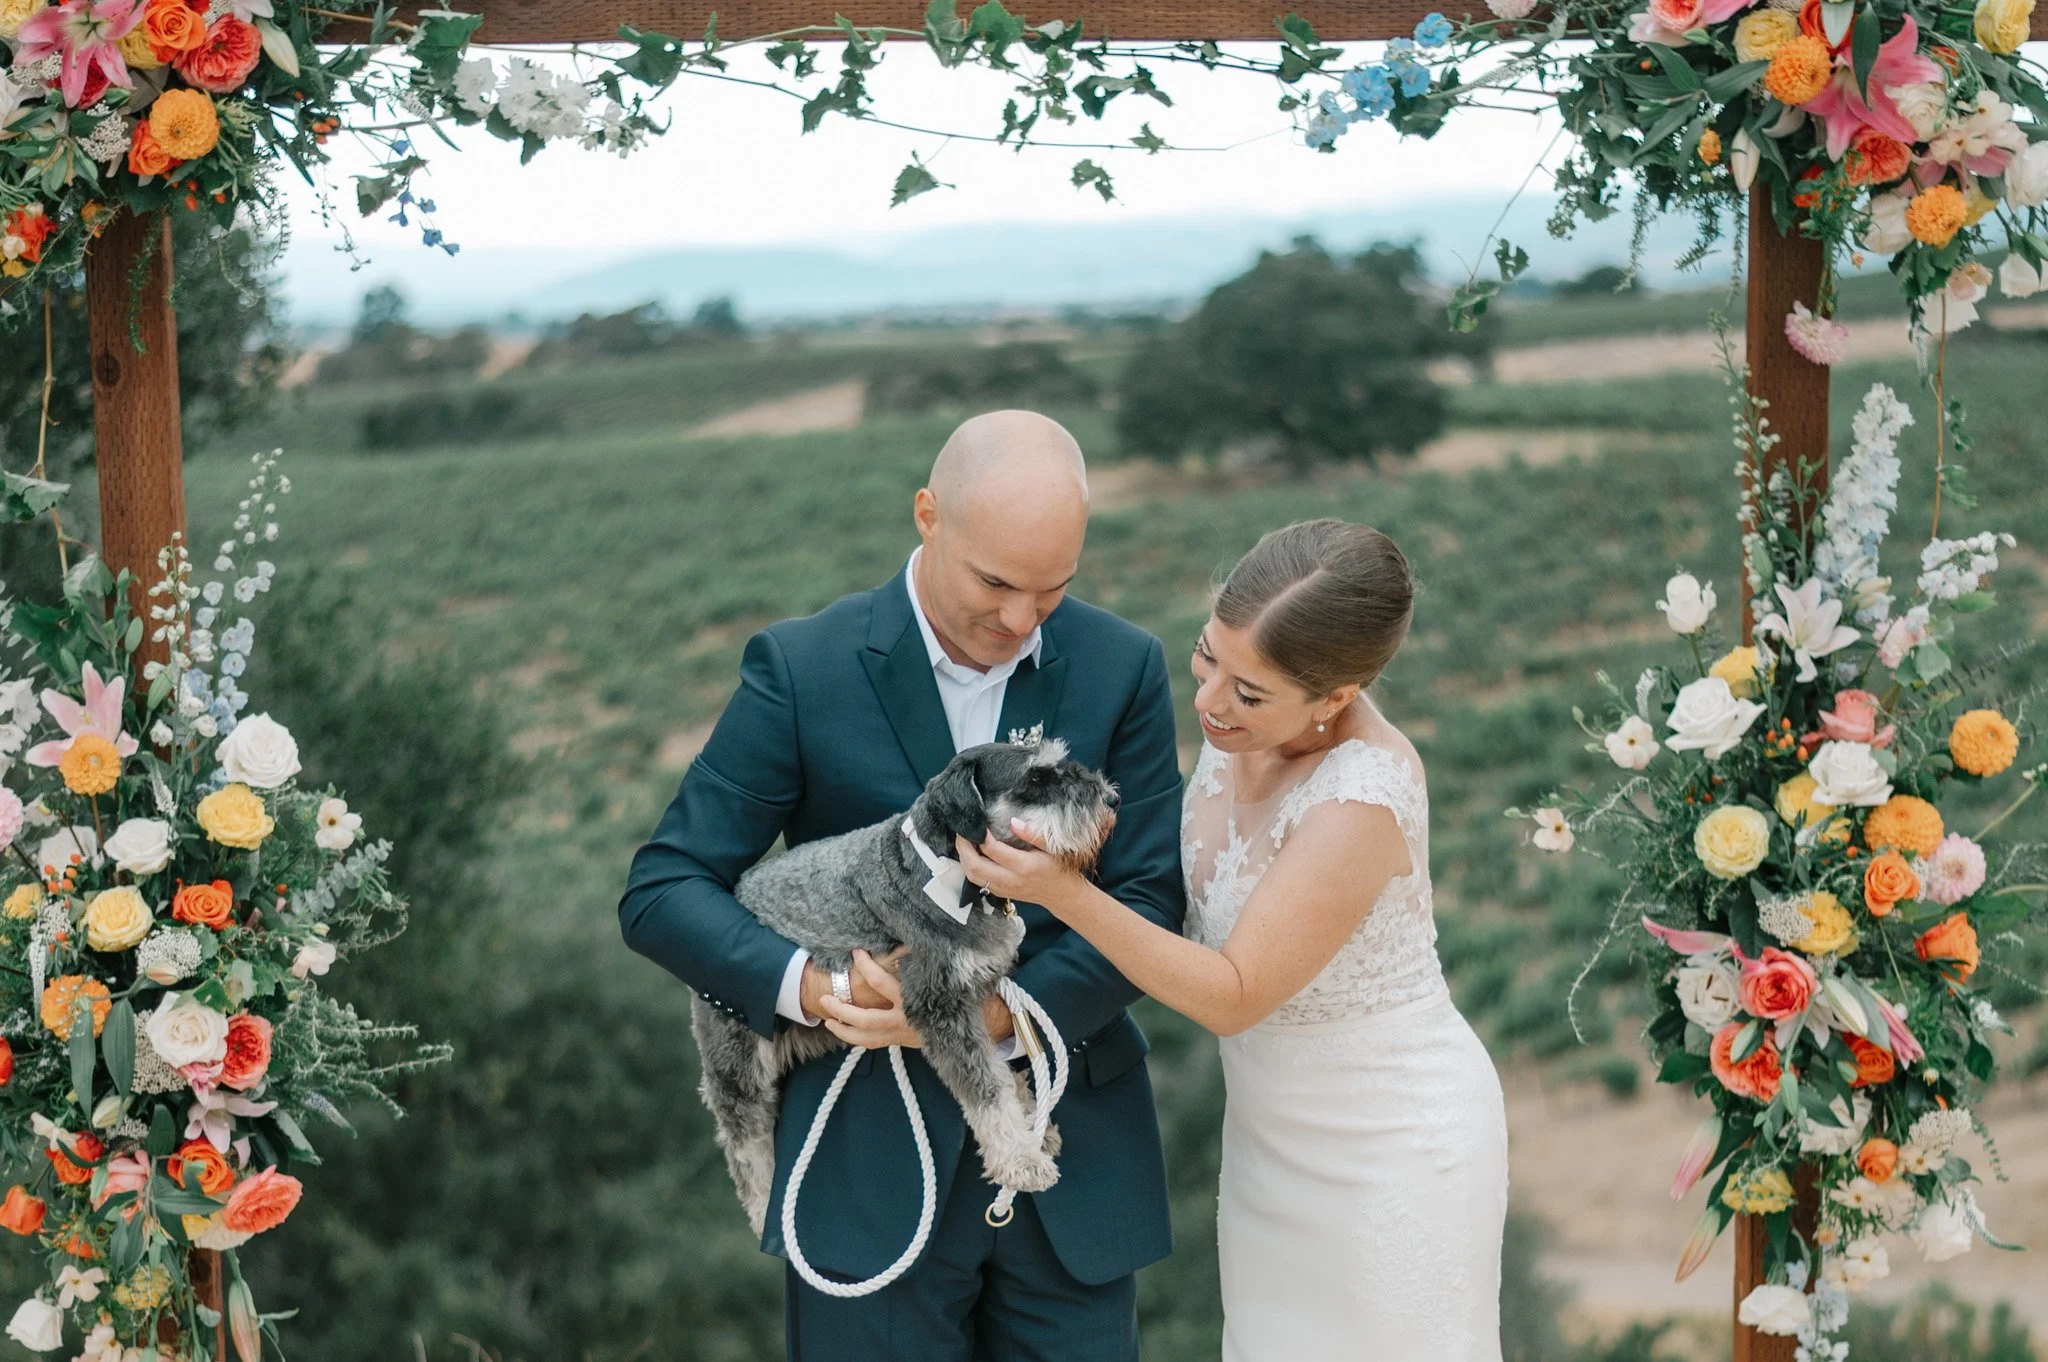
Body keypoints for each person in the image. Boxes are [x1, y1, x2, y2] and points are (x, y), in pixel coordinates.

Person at [618, 410, 1185, 1361]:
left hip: (1071, 1161)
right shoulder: (803, 667)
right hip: (864, 1164)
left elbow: (1149, 898)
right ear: (928, 516)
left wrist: (1011, 1018)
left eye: (1052, 593)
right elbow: (663, 889)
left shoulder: (1125, 665)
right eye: (997, 583)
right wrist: (818, 989)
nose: (1019, 622)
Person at [960, 518, 1509, 1362]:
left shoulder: (1362, 795)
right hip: (1268, 1143)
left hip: (1393, 1149)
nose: (1212, 703)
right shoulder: (1240, 731)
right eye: (1208, 656)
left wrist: (1060, 894)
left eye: (1250, 694)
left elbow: (1233, 992)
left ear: (1336, 697)